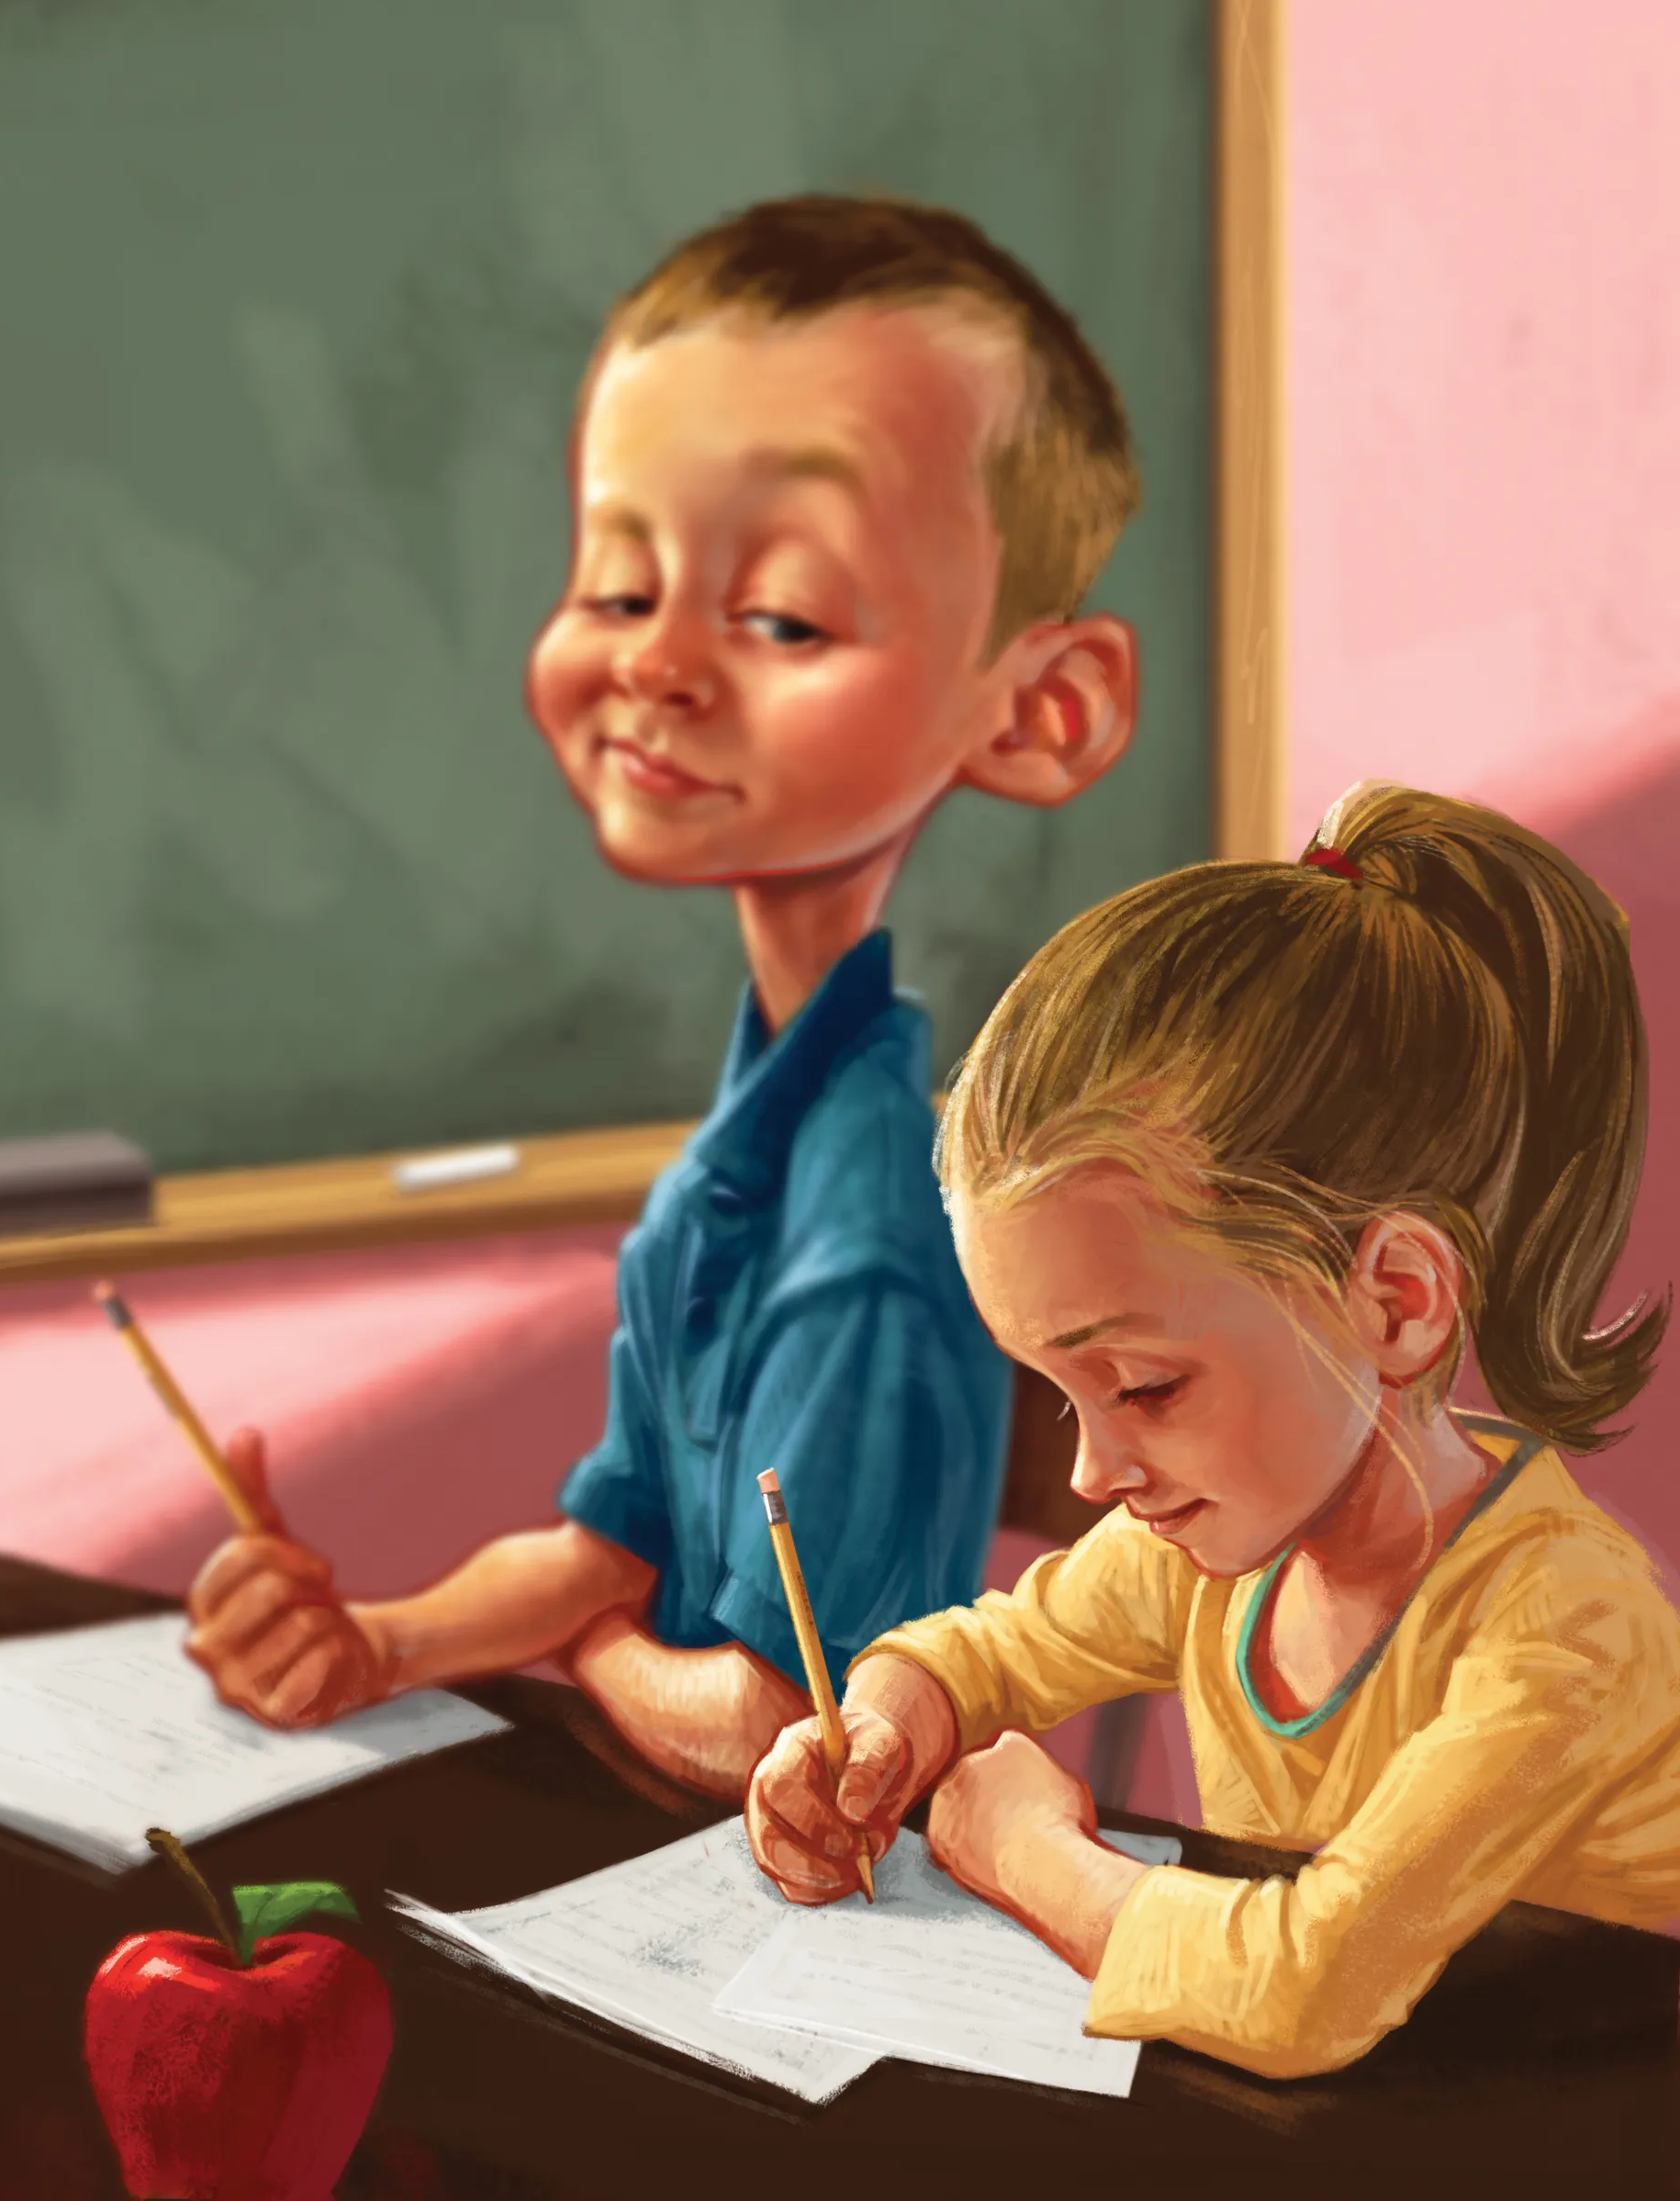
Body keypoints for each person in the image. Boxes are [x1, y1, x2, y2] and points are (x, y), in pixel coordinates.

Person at [182, 195, 1143, 1799]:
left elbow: (776, 1719)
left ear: (1040, 707)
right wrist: (377, 1641)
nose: (656, 664)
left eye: (780, 615)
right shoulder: (735, 1162)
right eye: (622, 589)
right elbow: (609, 1539)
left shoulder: (874, 1231)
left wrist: (589, 1652)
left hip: (817, 1877)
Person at [747, 780, 1680, 2075]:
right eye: (1060, 1393)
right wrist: (886, 1730)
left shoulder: (1567, 1627)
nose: (1091, 1470)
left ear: (1396, 1301)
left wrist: (1025, 1851)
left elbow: (1307, 1986)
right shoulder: (1212, 1556)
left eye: (1143, 1387)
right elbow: (992, 1650)